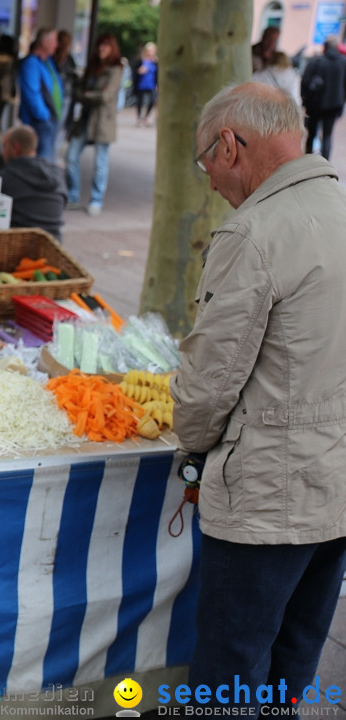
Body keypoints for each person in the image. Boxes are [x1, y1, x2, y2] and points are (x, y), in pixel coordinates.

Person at [175, 81, 346, 715]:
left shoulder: (254, 233)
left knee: (231, 669)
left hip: (269, 497)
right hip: (336, 486)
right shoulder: (339, 207)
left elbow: (207, 386)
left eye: (209, 165)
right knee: (293, 663)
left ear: (230, 143)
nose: (213, 183)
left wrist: (190, 444)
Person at [64, 34, 123, 216]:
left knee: (100, 163)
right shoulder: (93, 68)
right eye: (100, 46)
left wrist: (88, 94)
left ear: (112, 48)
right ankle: (73, 195)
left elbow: (106, 97)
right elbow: (80, 92)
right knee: (71, 157)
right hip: (85, 119)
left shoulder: (116, 69)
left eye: (105, 46)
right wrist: (92, 94)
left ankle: (96, 199)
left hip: (102, 122)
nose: (101, 50)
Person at [0, 125, 66, 240]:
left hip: (17, 245)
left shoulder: (5, 178)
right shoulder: (57, 175)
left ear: (16, 148)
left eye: (5, 147)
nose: (2, 152)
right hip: (53, 244)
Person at [17, 28, 63, 161]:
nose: (57, 45)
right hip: (40, 123)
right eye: (54, 41)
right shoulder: (32, 63)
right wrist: (44, 117)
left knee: (46, 161)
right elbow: (32, 94)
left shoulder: (46, 62)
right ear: (44, 42)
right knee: (41, 164)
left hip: (49, 120)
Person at [300, 35, 346, 159]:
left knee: (312, 134)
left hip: (315, 105)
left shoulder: (316, 61)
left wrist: (305, 102)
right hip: (334, 106)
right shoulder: (343, 62)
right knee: (327, 136)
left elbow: (305, 82)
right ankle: (325, 163)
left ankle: (308, 160)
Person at [53, 29, 77, 137]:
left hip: (66, 96)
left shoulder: (69, 59)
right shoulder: (51, 58)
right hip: (54, 95)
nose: (65, 45)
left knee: (60, 128)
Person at [134, 42, 158, 127]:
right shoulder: (141, 60)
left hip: (151, 84)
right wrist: (139, 71)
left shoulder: (155, 61)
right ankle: (139, 118)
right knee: (140, 101)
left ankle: (146, 117)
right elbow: (135, 70)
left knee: (152, 100)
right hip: (141, 84)